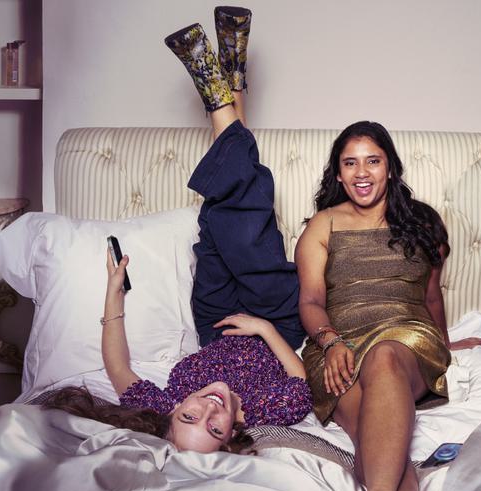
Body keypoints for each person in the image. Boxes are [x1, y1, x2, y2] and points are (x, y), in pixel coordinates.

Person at [43, 6, 312, 455]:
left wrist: (113, 292)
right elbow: (301, 384)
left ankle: (229, 77)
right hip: (277, 320)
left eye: (190, 417)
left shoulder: (162, 403)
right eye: (214, 427)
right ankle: (221, 91)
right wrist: (265, 329)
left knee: (218, 222)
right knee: (247, 232)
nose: (208, 410)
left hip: (216, 318)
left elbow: (118, 369)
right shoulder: (262, 410)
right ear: (231, 436)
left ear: (174, 410)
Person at [295, 121, 481, 491]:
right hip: (338, 346)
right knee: (372, 435)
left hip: (408, 341)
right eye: (350, 163)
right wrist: (330, 343)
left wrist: (446, 342)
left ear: (390, 167)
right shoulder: (322, 226)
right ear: (338, 172)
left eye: (372, 161)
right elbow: (310, 302)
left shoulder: (423, 223)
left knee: (384, 355)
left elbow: (431, 298)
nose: (361, 173)